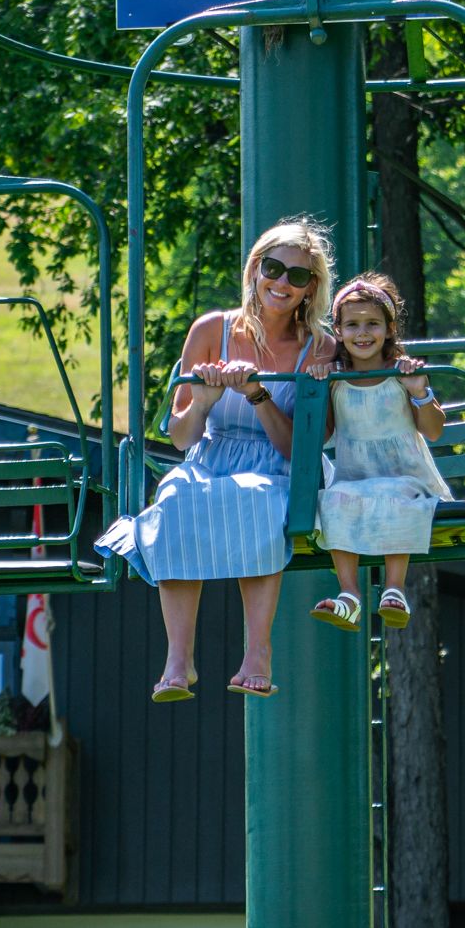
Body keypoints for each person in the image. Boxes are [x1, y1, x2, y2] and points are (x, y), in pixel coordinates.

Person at [95, 220, 335, 702]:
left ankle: (257, 653)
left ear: (311, 289)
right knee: (176, 499)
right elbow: (183, 439)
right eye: (273, 268)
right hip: (213, 453)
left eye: (298, 277)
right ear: (254, 269)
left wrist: (257, 394)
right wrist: (202, 401)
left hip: (280, 464)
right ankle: (179, 661)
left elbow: (301, 450)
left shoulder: (321, 347)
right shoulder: (211, 330)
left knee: (261, 504)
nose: (282, 284)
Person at [304, 273, 447, 631]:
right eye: (352, 325)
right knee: (333, 498)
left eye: (372, 324)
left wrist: (419, 391)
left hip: (406, 477)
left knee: (394, 496)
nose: (362, 334)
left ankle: (394, 589)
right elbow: (321, 436)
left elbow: (432, 429)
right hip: (357, 478)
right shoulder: (336, 379)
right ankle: (349, 595)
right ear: (338, 331)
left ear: (389, 328)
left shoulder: (400, 373)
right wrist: (318, 389)